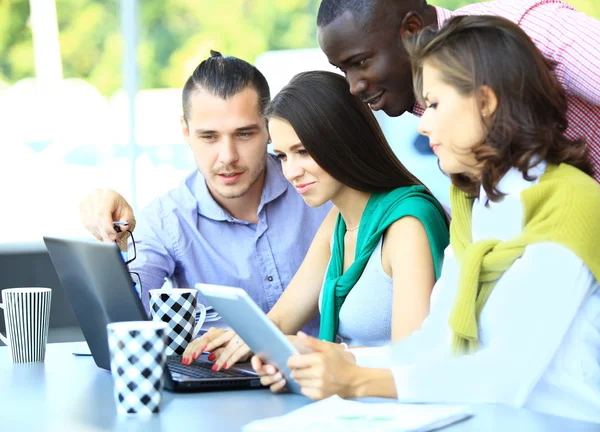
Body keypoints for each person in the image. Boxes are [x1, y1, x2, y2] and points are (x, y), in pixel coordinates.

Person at [253, 16, 600, 423]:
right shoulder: (477, 205)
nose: (423, 123)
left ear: (485, 103)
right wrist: (327, 358)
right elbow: (432, 346)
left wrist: (358, 380)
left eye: (434, 103)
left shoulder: (573, 202)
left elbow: (506, 376)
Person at [182, 71, 449, 370]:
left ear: (343, 140)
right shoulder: (337, 221)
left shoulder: (407, 224)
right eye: (282, 156)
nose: (291, 171)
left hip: (391, 407)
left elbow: (411, 363)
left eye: (303, 152)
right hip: (346, 402)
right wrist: (240, 338)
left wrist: (309, 352)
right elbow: (281, 319)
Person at [79, 51, 331, 336]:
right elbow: (124, 323)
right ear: (185, 132)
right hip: (220, 378)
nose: (227, 157)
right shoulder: (168, 220)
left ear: (269, 128)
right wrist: (118, 242)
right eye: (209, 137)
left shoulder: (321, 194)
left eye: (244, 134)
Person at [316, 0, 600, 182]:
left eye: (360, 62)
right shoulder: (435, 115)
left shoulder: (530, 28)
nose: (354, 86)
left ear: (412, 29)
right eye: (343, 70)